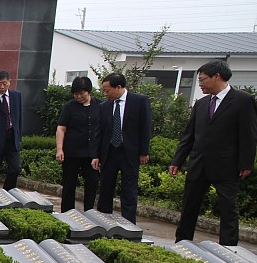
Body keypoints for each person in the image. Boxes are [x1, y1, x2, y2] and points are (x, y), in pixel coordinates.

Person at [171, 60, 257, 245]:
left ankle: (229, 247)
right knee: (189, 206)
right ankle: (182, 243)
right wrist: (177, 160)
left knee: (228, 209)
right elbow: (189, 136)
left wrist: (246, 163)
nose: (200, 84)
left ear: (217, 76)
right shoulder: (201, 104)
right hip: (198, 163)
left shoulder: (243, 100)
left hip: (226, 166)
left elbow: (248, 135)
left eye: (202, 80)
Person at [93, 72, 151, 223]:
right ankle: (103, 221)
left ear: (119, 87)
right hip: (109, 152)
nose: (105, 94)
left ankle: (128, 224)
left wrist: (144, 152)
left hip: (129, 152)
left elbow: (145, 127)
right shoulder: (104, 106)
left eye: (107, 90)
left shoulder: (139, 101)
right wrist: (96, 155)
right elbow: (99, 132)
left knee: (129, 190)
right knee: (105, 189)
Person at [55, 76, 101, 211]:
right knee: (69, 184)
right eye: (75, 94)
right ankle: (67, 213)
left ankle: (89, 212)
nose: (78, 96)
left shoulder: (100, 106)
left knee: (92, 183)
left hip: (92, 154)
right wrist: (59, 149)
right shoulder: (70, 107)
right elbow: (61, 128)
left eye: (81, 93)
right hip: (72, 152)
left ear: (89, 91)